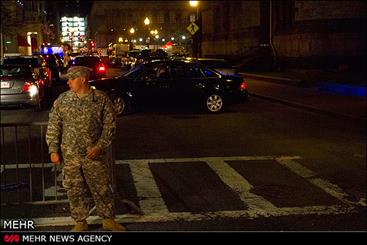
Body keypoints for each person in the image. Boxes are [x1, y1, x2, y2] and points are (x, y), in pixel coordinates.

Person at [46, 66, 125, 232]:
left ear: (82, 79)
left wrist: (100, 145)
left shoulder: (100, 99)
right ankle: (80, 221)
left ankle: (108, 219)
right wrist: (53, 149)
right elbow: (54, 125)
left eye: (71, 79)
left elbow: (110, 125)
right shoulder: (63, 99)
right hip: (71, 154)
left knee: (101, 187)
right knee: (74, 188)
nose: (68, 82)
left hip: (93, 154)